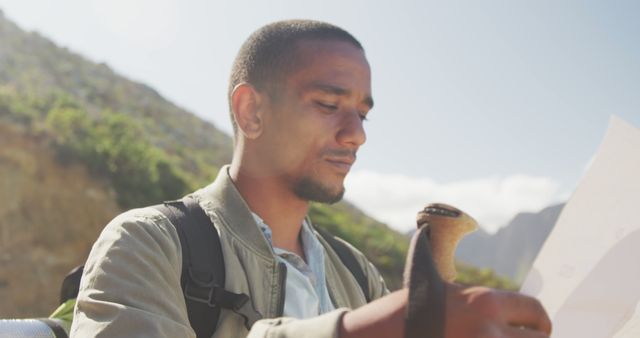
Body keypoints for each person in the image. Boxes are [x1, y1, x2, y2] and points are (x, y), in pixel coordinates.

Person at [70, 20, 552, 338]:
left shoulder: (356, 273)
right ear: (251, 110)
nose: (357, 135)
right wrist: (361, 329)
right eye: (328, 105)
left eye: (363, 113)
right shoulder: (150, 242)